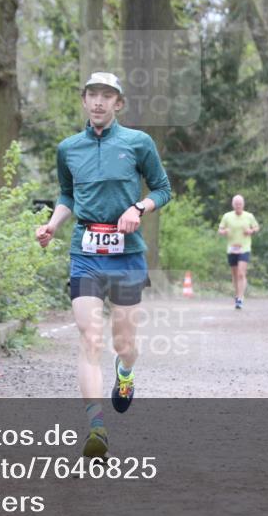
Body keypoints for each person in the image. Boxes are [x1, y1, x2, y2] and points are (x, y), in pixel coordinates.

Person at [35, 71, 171, 458]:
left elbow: (163, 189)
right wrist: (52, 225)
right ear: (84, 101)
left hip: (127, 255)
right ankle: (96, 426)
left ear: (118, 103)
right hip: (85, 253)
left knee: (123, 344)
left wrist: (138, 207)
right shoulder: (68, 148)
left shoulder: (138, 143)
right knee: (90, 338)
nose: (98, 101)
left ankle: (125, 373)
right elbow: (66, 193)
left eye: (106, 96)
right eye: (92, 94)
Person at [218, 195, 260, 310]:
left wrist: (251, 231)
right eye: (236, 204)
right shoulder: (227, 216)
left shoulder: (249, 216)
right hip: (231, 248)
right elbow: (220, 229)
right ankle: (237, 295)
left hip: (244, 248)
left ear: (243, 204)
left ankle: (240, 297)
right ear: (233, 204)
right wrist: (224, 231)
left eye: (240, 204)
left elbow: (256, 227)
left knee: (241, 273)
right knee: (235, 274)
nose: (238, 206)